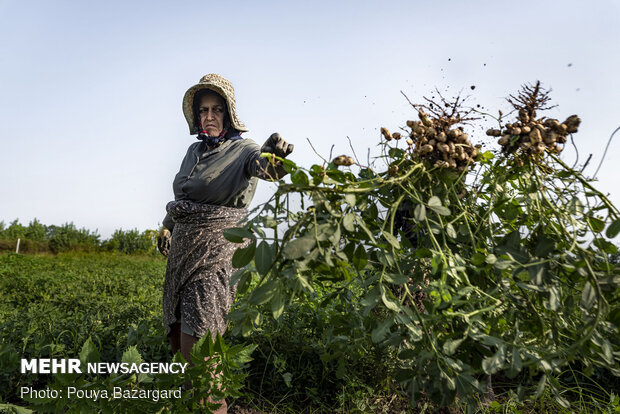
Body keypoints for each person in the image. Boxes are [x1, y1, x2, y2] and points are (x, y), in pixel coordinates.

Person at [157, 74, 293, 412]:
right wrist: (167, 227)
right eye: (203, 110)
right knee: (179, 339)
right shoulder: (193, 151)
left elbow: (266, 168)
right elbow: (183, 197)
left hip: (216, 253)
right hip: (182, 255)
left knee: (201, 343)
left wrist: (276, 157)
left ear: (229, 114)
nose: (209, 116)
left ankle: (213, 407)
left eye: (217, 109)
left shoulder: (244, 150)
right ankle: (194, 405)